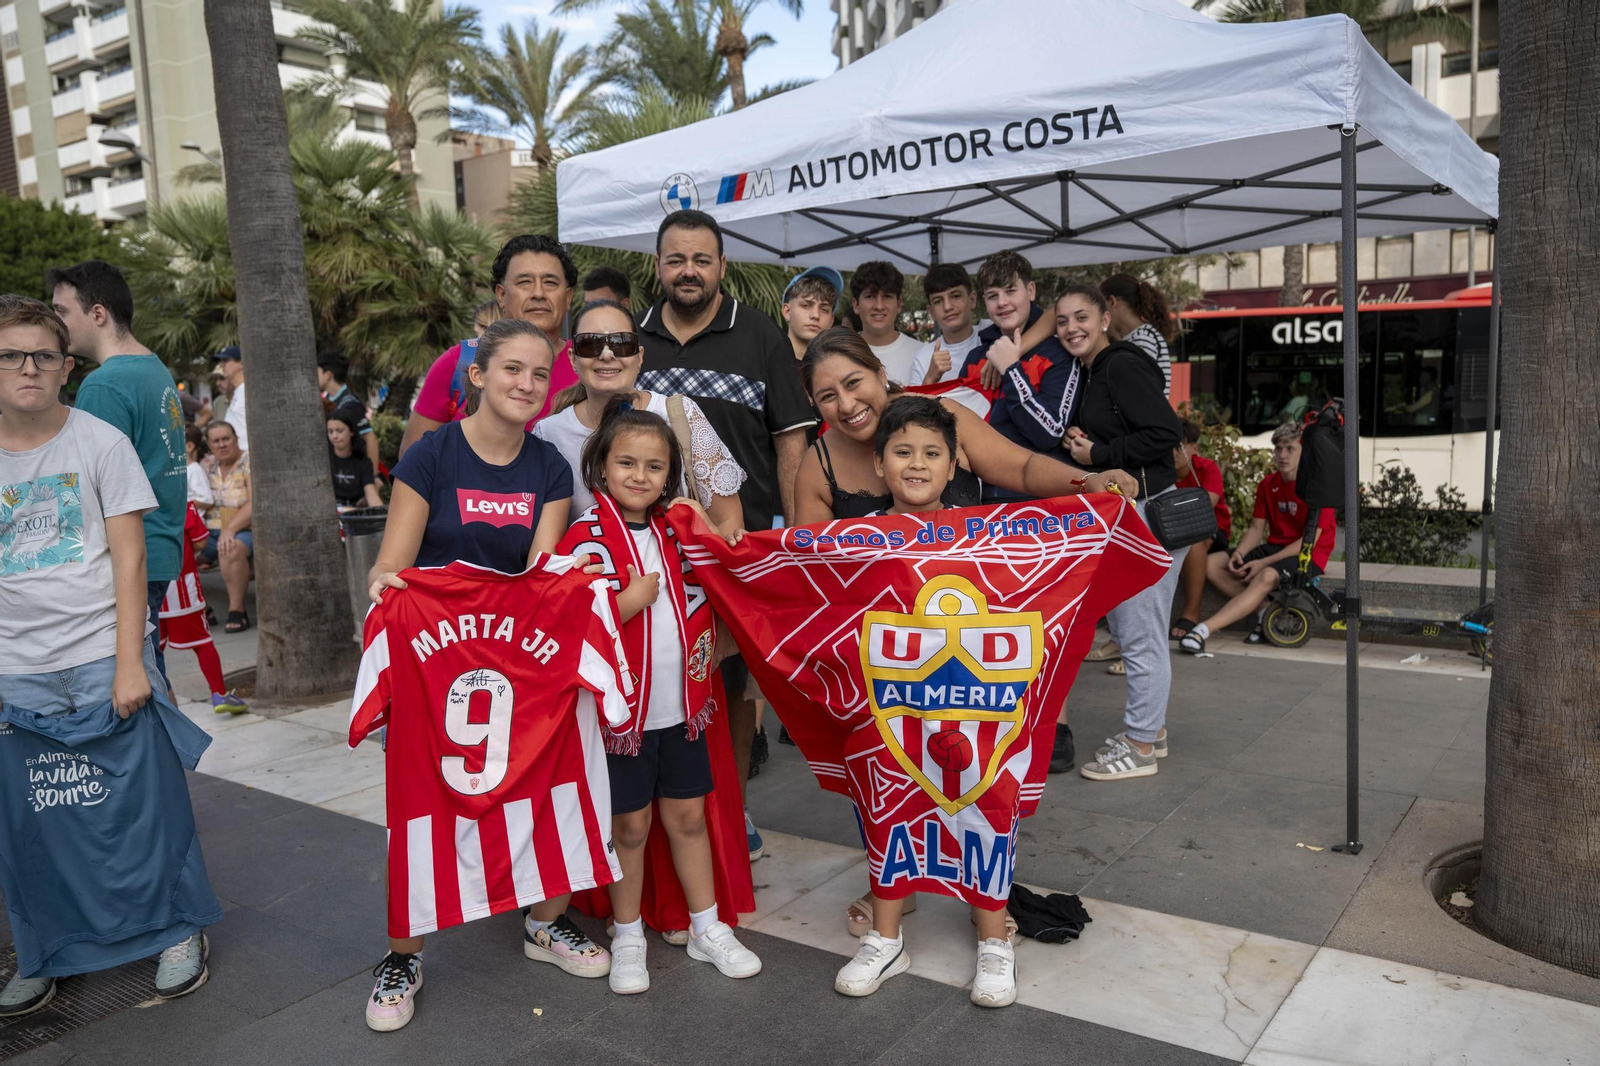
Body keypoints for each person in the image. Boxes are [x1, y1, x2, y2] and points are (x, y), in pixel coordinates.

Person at [362, 317, 607, 1032]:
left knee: (548, 786)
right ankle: (402, 956)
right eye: (512, 369)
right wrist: (388, 592)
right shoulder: (431, 455)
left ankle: (545, 923)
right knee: (420, 807)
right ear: (477, 374)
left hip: (518, 660)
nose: (527, 384)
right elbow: (393, 564)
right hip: (438, 662)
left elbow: (540, 574)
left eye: (540, 374)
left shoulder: (549, 468)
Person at [0, 295, 216, 1016]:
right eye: (10, 355)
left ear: (66, 367)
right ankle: (44, 950)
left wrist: (130, 661)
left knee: (143, 805)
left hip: (101, 653)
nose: (28, 368)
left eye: (44, 355)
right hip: (16, 669)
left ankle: (178, 929)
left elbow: (130, 558)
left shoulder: (100, 442)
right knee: (35, 821)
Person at [557, 400, 761, 995]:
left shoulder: (680, 527)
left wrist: (714, 525)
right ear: (600, 466)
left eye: (654, 466)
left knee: (689, 818)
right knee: (629, 826)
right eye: (627, 463)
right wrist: (627, 603)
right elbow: (564, 625)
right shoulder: (583, 537)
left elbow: (728, 568)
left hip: (682, 708)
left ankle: (706, 926)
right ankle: (627, 936)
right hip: (621, 717)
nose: (640, 476)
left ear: (671, 473)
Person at [635, 209, 817, 861]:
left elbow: (791, 440)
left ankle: (732, 813)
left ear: (722, 266)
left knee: (735, 689)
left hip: (740, 548)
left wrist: (793, 537)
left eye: (701, 260)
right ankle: (661, 821)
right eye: (676, 260)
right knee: (662, 683)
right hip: (651, 557)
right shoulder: (632, 339)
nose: (688, 271)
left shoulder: (760, 333)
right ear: (659, 266)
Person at [830, 394, 1018, 1007]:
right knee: (889, 810)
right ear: (878, 463)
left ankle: (994, 940)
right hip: (891, 709)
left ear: (954, 463)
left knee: (987, 809)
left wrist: (1095, 495)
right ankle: (886, 940)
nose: (917, 464)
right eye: (903, 451)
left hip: (973, 709)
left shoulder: (984, 535)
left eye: (932, 453)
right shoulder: (852, 539)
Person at [1055, 286, 1186, 783]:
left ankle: (1140, 746)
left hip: (1147, 513)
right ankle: (1153, 731)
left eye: (1081, 317)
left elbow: (1165, 433)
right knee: (1139, 628)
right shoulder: (1094, 371)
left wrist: (1098, 455)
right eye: (1063, 321)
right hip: (1136, 513)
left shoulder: (1121, 365)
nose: (1072, 328)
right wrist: (1082, 442)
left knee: (1138, 632)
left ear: (1106, 318)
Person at [48, 260, 187, 691]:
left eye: (61, 311)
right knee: (150, 676)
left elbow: (88, 488)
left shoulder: (104, 385)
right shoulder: (154, 367)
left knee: (135, 685)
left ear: (98, 313)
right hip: (159, 548)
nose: (54, 322)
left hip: (125, 559)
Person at [535, 300, 745, 525]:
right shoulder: (549, 433)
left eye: (621, 343)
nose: (606, 354)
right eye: (590, 344)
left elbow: (728, 522)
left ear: (640, 356)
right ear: (573, 359)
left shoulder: (680, 415)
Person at [399, 235, 580, 458]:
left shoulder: (587, 367)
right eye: (524, 282)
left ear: (568, 297)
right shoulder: (459, 361)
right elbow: (412, 458)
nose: (538, 293)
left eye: (550, 283)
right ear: (501, 295)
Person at [1180, 422, 1336, 655]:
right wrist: (1240, 553)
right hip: (1276, 547)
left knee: (1266, 575)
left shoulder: (1317, 487)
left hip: (1308, 554)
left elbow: (1308, 541)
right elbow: (1255, 529)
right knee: (1211, 564)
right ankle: (1266, 611)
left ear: (1304, 452)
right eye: (1278, 449)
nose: (1282, 455)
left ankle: (1202, 631)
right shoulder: (1268, 484)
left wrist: (1263, 562)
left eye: (1290, 449)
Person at [958, 252, 1084, 501]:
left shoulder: (1059, 353)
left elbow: (1048, 434)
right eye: (992, 296)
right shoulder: (975, 358)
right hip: (979, 499)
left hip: (1037, 500)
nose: (1002, 302)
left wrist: (1010, 370)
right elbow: (960, 430)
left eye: (1010, 291)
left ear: (1031, 291)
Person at [161, 502, 249, 714]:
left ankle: (159, 699)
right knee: (202, 642)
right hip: (182, 588)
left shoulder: (133, 504)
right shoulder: (181, 504)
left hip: (146, 590)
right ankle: (219, 693)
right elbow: (201, 541)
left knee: (152, 649)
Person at [1170, 419, 1230, 641]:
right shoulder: (1161, 472)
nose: (1172, 453)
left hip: (1211, 530)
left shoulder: (1206, 468)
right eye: (1168, 447)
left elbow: (1206, 505)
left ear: (1194, 448)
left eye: (1179, 447)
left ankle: (1191, 613)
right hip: (1171, 530)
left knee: (1193, 538)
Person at [198, 421, 253, 633]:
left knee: (230, 548)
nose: (221, 445)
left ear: (236, 439)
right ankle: (203, 609)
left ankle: (237, 610)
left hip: (244, 529)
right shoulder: (206, 465)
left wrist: (230, 529)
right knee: (179, 551)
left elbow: (254, 503)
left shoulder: (248, 462)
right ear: (209, 445)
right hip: (208, 530)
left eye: (226, 439)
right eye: (216, 441)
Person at [1100, 272, 1174, 397]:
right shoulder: (1143, 335)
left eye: (1101, 308)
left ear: (1112, 302)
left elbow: (1138, 390)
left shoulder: (1142, 338)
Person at [908, 264, 983, 385]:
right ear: (931, 312)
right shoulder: (923, 358)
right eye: (938, 301)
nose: (947, 307)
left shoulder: (994, 336)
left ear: (972, 300)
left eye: (955, 296)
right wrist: (930, 378)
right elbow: (914, 398)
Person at [848, 261, 922, 384]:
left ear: (899, 304)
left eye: (887, 296)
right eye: (870, 296)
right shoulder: (842, 353)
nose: (879, 306)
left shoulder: (922, 353)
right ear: (855, 305)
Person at [317, 350, 376, 460]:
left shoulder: (350, 403)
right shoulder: (326, 399)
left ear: (328, 375)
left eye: (317, 372)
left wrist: (372, 470)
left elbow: (369, 438)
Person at [780, 266, 841, 362]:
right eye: (806, 306)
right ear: (787, 311)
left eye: (824, 310)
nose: (816, 315)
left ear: (831, 320)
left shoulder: (838, 367)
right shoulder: (763, 362)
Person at [328, 412, 383, 509]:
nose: (334, 436)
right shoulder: (325, 460)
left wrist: (381, 513)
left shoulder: (363, 462)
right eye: (330, 431)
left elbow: (371, 493)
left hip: (355, 513)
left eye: (340, 431)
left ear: (351, 431)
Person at [210, 346, 248, 453]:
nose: (221, 365)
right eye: (221, 361)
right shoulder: (238, 392)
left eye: (226, 360)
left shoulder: (247, 391)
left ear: (241, 363)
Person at [184, 425, 213, 507]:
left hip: (190, 515)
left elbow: (206, 500)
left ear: (189, 446)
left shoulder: (195, 470)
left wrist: (179, 505)